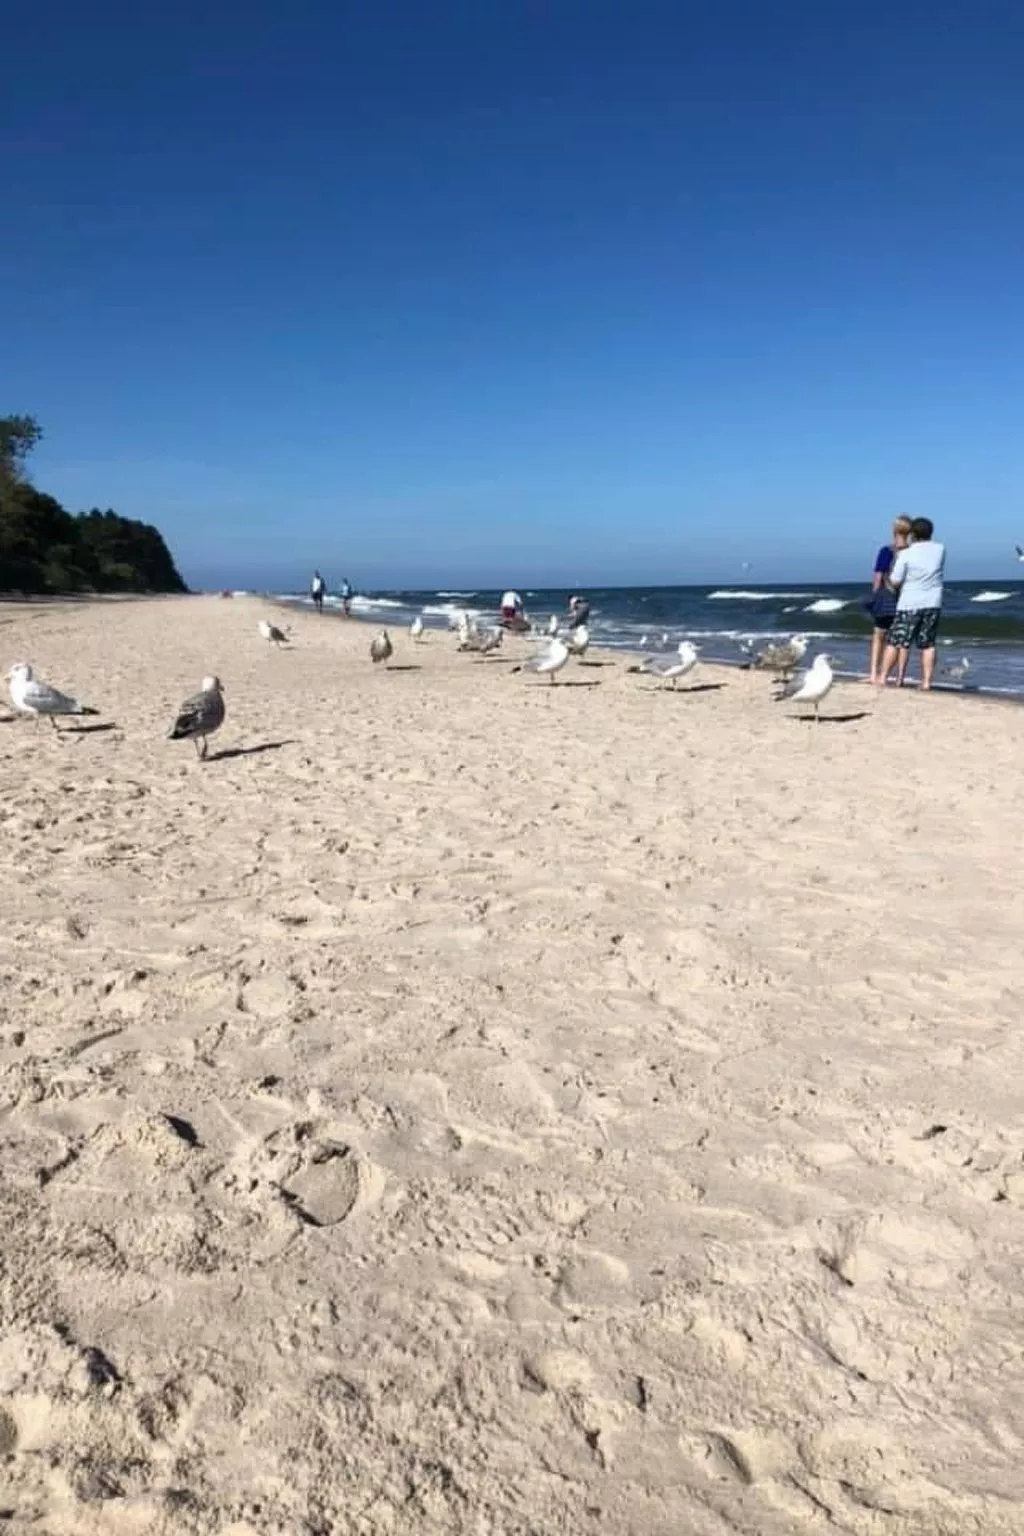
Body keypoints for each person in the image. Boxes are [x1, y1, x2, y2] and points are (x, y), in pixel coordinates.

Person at [876, 516, 946, 691]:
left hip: (910, 602)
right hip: (933, 602)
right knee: (928, 644)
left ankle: (883, 677)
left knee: (896, 641)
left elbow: (896, 579)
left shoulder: (906, 553)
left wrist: (888, 581)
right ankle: (927, 681)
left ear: (912, 534)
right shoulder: (940, 549)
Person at [867, 517, 911, 684]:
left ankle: (874, 674)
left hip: (886, 596)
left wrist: (875, 595)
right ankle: (897, 676)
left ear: (894, 531)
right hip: (905, 598)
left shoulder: (886, 551)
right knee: (899, 640)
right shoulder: (911, 552)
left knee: (879, 635)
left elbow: (878, 575)